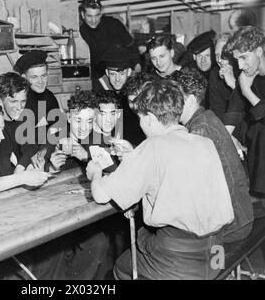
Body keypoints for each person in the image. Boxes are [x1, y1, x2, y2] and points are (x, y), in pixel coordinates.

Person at [86, 79, 234, 280]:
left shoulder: (153, 146)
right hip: (216, 252)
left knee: (121, 267)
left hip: (178, 260)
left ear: (149, 118)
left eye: (140, 117)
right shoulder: (204, 143)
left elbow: (102, 195)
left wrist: (95, 173)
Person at [173, 67, 253, 243]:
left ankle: (211, 269)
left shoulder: (200, 130)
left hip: (231, 223)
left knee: (165, 238)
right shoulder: (205, 118)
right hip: (239, 215)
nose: (171, 104)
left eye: (175, 98)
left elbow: (193, 188)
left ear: (192, 99)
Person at [223, 26, 265, 198]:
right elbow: (233, 110)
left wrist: (248, 92)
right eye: (237, 60)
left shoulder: (246, 82)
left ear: (259, 51)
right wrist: (225, 138)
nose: (240, 65)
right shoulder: (246, 76)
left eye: (244, 57)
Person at [79, 0, 141, 91]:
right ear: (83, 15)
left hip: (122, 75)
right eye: (89, 16)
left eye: (97, 15)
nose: (94, 20)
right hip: (99, 79)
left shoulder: (113, 24)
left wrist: (137, 68)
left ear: (101, 13)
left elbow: (132, 47)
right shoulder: (81, 32)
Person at [99, 45, 146, 146]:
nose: (117, 79)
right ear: (107, 73)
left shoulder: (135, 97)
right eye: (112, 74)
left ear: (129, 72)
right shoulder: (105, 95)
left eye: (121, 74)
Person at [0, 72, 40, 172]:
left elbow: (31, 146)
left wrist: (22, 165)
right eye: (13, 101)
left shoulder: (26, 117)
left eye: (23, 101)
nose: (19, 107)